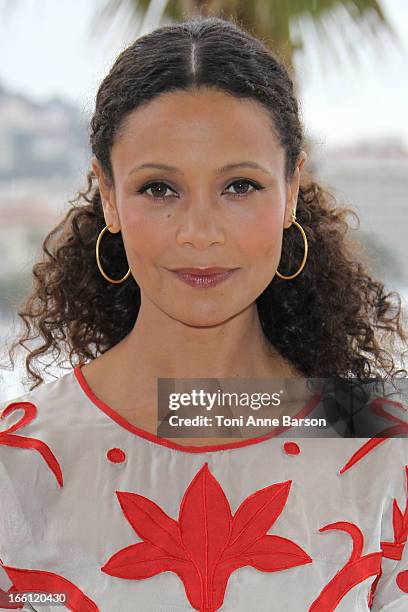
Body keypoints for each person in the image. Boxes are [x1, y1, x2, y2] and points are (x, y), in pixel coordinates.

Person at [1, 15, 407, 612]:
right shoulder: (19, 461)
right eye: (159, 189)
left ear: (292, 187)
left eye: (240, 186)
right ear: (108, 195)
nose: (199, 233)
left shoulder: (381, 445)